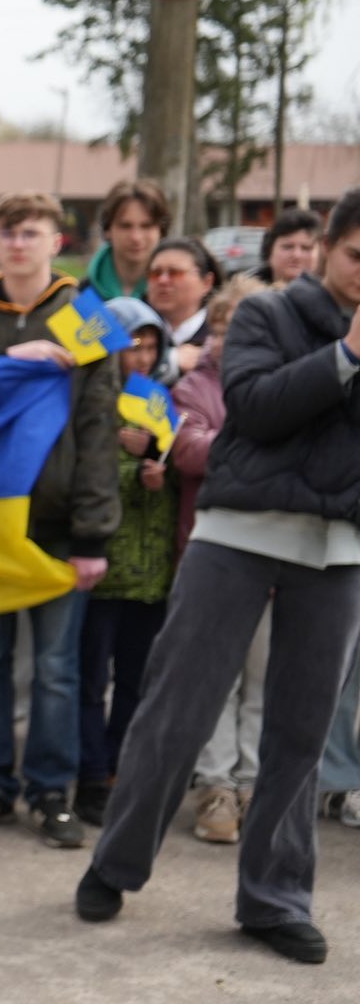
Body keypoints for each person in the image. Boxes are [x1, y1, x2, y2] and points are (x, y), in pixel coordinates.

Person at [77, 187, 360, 965]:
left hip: (338, 552)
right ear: (329, 245)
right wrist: (345, 356)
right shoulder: (268, 314)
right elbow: (258, 409)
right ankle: (116, 863)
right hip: (234, 535)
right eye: (357, 256)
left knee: (300, 733)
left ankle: (274, 898)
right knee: (176, 710)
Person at [0, 190, 120, 849]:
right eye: (7, 232)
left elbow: (100, 428)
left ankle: (50, 792)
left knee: (58, 668)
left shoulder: (87, 317)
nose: (17, 243)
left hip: (61, 526)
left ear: (55, 240)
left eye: (31, 231)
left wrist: (96, 532)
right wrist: (3, 368)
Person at [74, 297, 179, 826]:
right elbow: (84, 481)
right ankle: (91, 773)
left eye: (151, 345)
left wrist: (161, 467)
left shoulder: (165, 406)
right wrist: (121, 459)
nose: (140, 357)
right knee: (90, 680)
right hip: (102, 574)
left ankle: (122, 769)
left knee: (137, 682)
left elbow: (183, 486)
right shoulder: (94, 408)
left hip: (152, 577)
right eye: (131, 345)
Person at [174, 275, 269, 844]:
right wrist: (263, 443)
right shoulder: (195, 385)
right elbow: (188, 450)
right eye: (224, 326)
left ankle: (253, 780)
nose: (233, 337)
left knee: (264, 680)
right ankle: (215, 786)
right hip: (212, 556)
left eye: (248, 326)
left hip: (282, 560)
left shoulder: (289, 383)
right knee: (219, 681)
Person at [144, 236, 223, 374]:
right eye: (156, 273)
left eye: (174, 273)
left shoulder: (223, 333)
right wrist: (171, 360)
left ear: (206, 283)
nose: (162, 280)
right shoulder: (132, 328)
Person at [87, 178, 170, 300]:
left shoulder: (175, 298)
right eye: (125, 226)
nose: (136, 237)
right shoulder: (80, 295)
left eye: (146, 226)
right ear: (107, 230)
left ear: (161, 231)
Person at [256, 207, 323, 286]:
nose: (296, 255)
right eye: (287, 247)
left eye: (306, 248)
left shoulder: (334, 296)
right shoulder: (244, 294)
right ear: (269, 251)